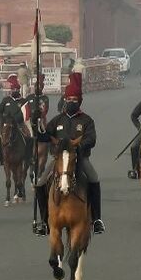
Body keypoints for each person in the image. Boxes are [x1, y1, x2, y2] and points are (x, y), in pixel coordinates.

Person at [34, 72, 105, 236]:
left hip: (80, 158)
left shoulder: (86, 120)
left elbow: (91, 139)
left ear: (79, 101)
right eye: (69, 99)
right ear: (64, 100)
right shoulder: (57, 120)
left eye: (74, 100)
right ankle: (44, 222)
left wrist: (79, 147)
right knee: (40, 183)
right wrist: (35, 122)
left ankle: (97, 220)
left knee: (94, 179)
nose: (71, 102)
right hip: (59, 160)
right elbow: (44, 136)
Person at [0, 75, 28, 166]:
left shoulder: (23, 101)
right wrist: (2, 120)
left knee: (29, 136)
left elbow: (24, 114)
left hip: (19, 124)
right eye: (13, 89)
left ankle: (28, 157)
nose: (14, 91)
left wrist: (16, 120)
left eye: (16, 90)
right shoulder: (6, 100)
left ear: (19, 90)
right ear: (11, 90)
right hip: (6, 124)